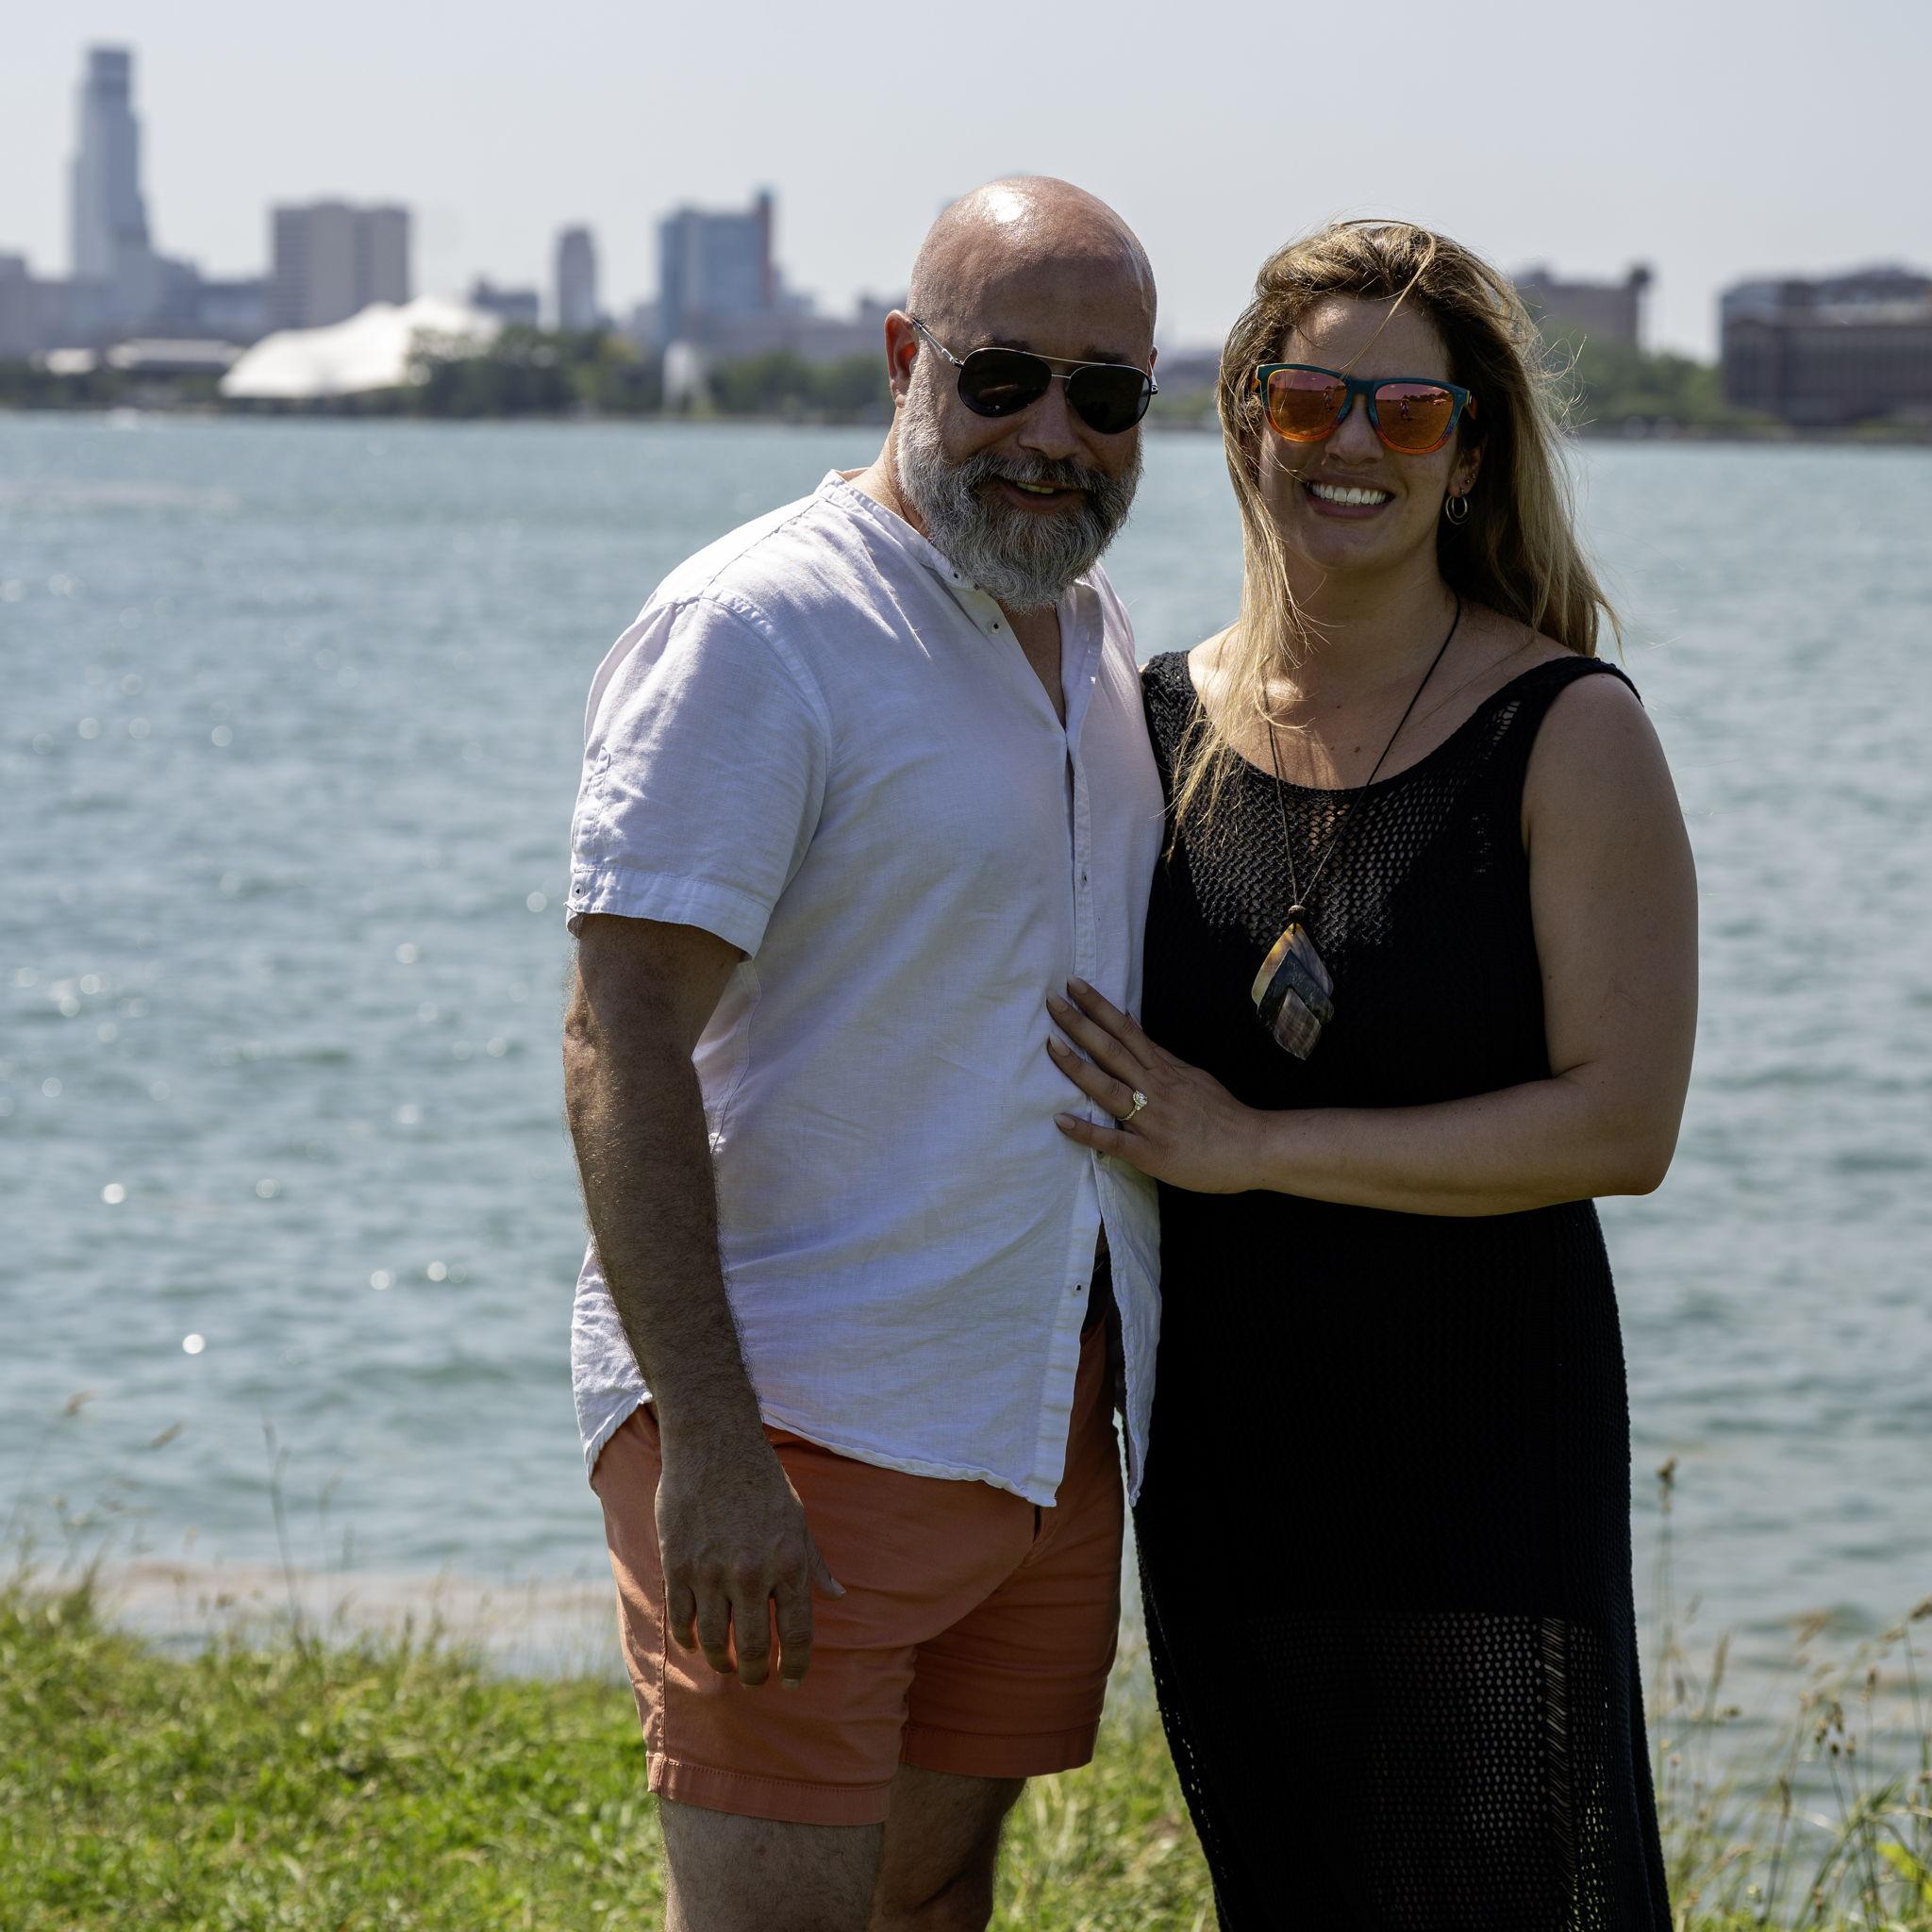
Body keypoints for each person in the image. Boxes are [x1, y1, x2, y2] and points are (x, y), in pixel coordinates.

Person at [1047, 221, 1696, 1929]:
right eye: (1314, 400)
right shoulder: (1145, 716)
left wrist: (1254, 1147)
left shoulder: (1567, 727)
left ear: (1470, 453)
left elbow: (1625, 1123)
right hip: (1230, 1453)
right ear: (1248, 415)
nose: (1352, 448)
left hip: (1485, 1444)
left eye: (1408, 417)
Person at [560, 177, 1165, 1932]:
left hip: (1031, 1417)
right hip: (800, 1415)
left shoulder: (1097, 635)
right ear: (907, 359)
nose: (1052, 435)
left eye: (1107, 395)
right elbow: (621, 1032)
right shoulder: (758, 629)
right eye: (1003, 379)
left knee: (934, 1902)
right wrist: (713, 1449)